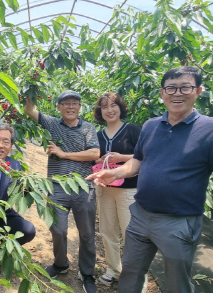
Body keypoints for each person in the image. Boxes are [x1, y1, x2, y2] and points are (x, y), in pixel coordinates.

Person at [87, 66, 213, 293]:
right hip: (140, 215)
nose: (177, 93)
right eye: (171, 88)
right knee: (130, 271)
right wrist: (115, 173)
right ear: (162, 93)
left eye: (185, 87)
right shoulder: (150, 126)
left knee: (177, 280)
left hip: (179, 221)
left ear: (198, 91)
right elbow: (137, 162)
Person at [25, 90, 100, 293]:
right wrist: (31, 85)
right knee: (57, 230)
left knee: (86, 233)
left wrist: (63, 154)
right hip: (57, 187)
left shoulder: (88, 128)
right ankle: (61, 263)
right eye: (65, 103)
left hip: (83, 186)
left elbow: (94, 153)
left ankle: (87, 273)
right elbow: (29, 109)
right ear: (58, 107)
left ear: (79, 107)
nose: (70, 106)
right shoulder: (51, 124)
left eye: (75, 103)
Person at [91, 93, 146, 289]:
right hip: (105, 190)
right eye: (104, 107)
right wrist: (98, 161)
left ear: (121, 108)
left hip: (128, 190)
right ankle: (113, 270)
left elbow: (145, 155)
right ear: (100, 112)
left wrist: (120, 157)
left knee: (131, 234)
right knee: (107, 231)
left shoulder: (132, 130)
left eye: (113, 105)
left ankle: (136, 278)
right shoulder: (98, 135)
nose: (109, 110)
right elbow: (92, 158)